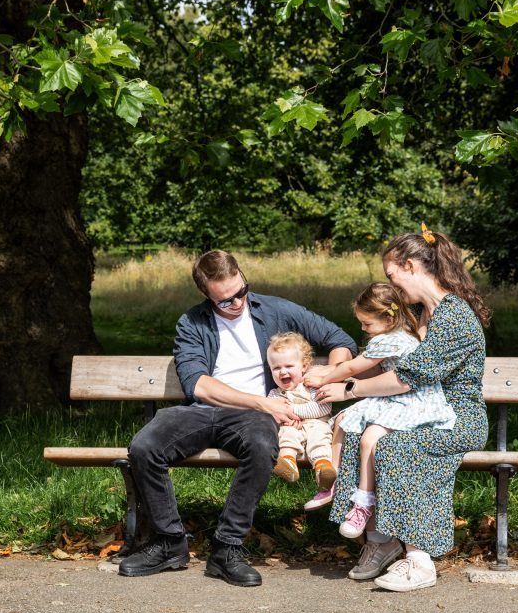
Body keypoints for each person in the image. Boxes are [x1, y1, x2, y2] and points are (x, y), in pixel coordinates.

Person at [120, 251, 357, 586]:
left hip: (253, 417)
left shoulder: (275, 309)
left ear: (243, 276)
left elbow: (339, 339)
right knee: (144, 446)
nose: (237, 302)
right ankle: (168, 542)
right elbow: (198, 384)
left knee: (262, 446)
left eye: (241, 291)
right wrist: (262, 403)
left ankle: (227, 549)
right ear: (206, 294)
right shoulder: (192, 323)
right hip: (204, 411)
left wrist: (327, 374)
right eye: (225, 299)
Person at [313, 228, 490, 591]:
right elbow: (390, 364)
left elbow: (409, 377)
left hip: (456, 418)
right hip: (418, 411)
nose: (392, 287)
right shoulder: (421, 313)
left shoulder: (454, 315)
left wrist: (350, 387)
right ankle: (381, 540)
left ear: (410, 266)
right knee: (359, 431)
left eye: (393, 276)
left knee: (396, 447)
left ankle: (420, 561)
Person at [303, 282, 456, 537]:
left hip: (410, 402)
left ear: (388, 318)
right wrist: (331, 372)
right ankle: (332, 477)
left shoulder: (389, 340)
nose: (363, 329)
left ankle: (362, 502)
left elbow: (352, 368)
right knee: (344, 418)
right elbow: (365, 369)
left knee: (367, 439)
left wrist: (324, 378)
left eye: (367, 324)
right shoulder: (398, 335)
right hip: (396, 399)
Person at [266, 332, 337, 490]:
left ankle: (323, 468)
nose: (282, 372)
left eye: (289, 366)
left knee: (319, 437)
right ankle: (287, 462)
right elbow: (270, 414)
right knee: (286, 433)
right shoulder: (274, 394)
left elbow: (324, 407)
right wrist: (284, 419)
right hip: (293, 426)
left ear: (304, 366)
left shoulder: (310, 385)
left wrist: (292, 410)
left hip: (316, 423)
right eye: (276, 368)